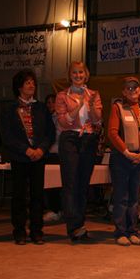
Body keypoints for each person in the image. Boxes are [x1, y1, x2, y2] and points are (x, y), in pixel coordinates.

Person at [1, 69, 55, 245]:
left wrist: (41, 149)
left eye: (33, 82)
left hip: (39, 157)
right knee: (18, 196)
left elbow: (50, 133)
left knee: (37, 195)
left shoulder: (41, 108)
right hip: (20, 157)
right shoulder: (10, 109)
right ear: (19, 87)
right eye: (27, 82)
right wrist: (25, 149)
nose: (31, 85)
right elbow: (7, 135)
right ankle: (19, 231)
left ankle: (37, 231)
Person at [55, 61, 103, 243]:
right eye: (74, 72)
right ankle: (73, 227)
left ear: (86, 74)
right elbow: (64, 122)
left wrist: (90, 105)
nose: (78, 75)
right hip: (70, 139)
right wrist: (79, 104)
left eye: (81, 72)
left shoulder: (94, 95)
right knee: (71, 184)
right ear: (70, 75)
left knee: (83, 184)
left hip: (88, 139)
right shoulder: (62, 96)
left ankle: (80, 225)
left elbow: (98, 121)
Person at [107, 77, 140, 246]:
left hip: (139, 159)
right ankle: (120, 232)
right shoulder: (117, 107)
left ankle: (132, 231)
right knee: (121, 197)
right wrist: (126, 152)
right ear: (123, 92)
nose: (132, 91)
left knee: (135, 197)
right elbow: (112, 133)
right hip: (122, 158)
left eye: (135, 88)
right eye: (128, 88)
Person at [42, 93, 63, 222]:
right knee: (49, 185)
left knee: (58, 185)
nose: (50, 105)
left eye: (53, 102)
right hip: (47, 153)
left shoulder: (60, 118)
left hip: (58, 153)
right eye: (48, 103)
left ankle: (58, 210)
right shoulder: (45, 117)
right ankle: (53, 208)